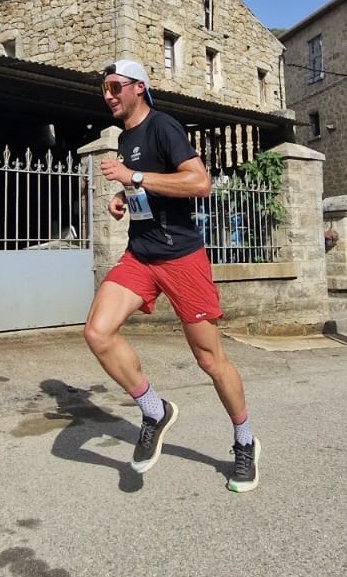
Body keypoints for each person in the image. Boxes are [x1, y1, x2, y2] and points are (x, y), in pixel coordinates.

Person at [81, 59, 260, 493]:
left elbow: (199, 183)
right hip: (141, 255)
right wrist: (124, 196)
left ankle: (244, 441)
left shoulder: (163, 126)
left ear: (138, 87)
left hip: (181, 258)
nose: (108, 94)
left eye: (115, 86)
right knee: (97, 332)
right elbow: (147, 187)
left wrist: (133, 176)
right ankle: (154, 409)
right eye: (103, 88)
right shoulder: (126, 137)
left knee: (210, 360)